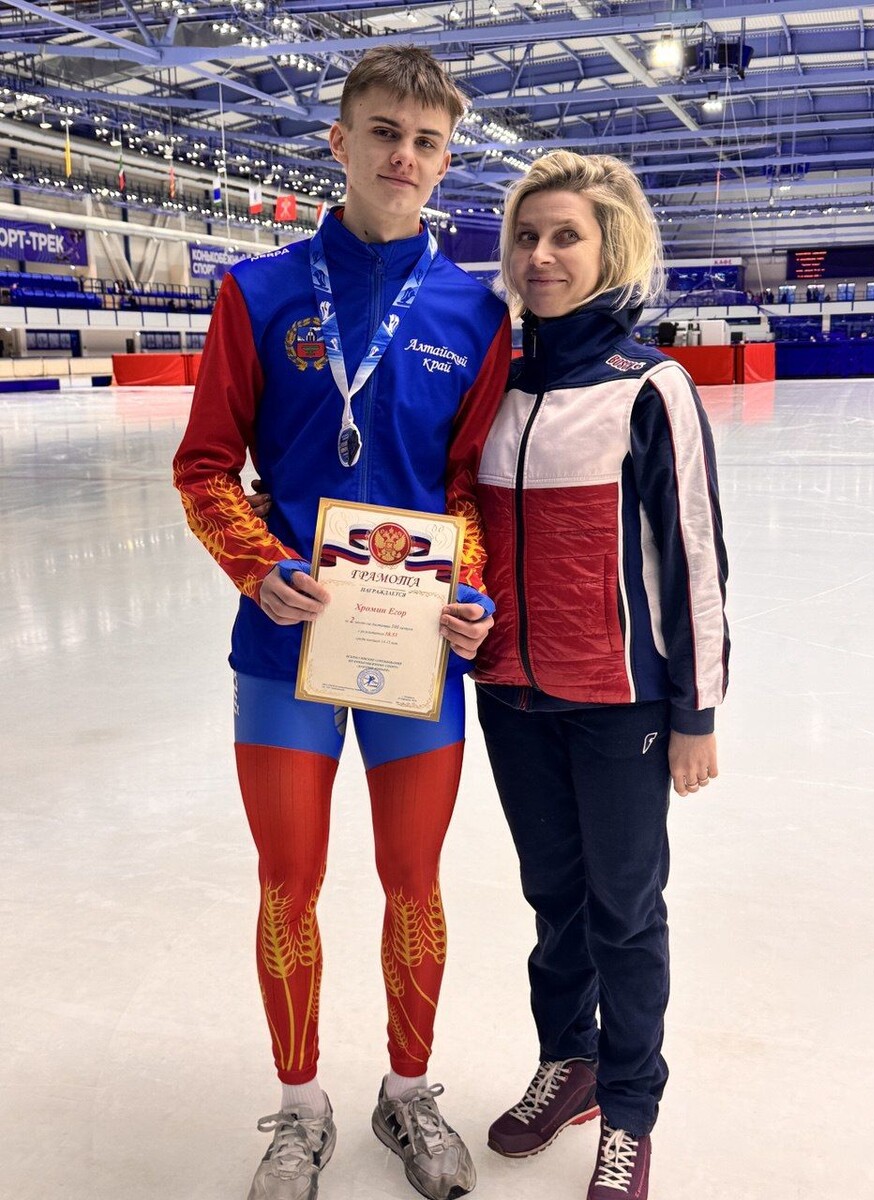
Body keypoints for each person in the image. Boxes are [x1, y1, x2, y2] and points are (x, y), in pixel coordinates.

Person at [173, 46, 511, 1200]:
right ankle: (301, 1106)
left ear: (445, 159)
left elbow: (471, 492)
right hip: (286, 642)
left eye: (424, 141)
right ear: (340, 142)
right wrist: (259, 568)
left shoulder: (476, 311)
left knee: (414, 878)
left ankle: (408, 1095)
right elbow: (206, 467)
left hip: (417, 651)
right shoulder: (257, 293)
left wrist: (470, 593)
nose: (401, 156)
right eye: (381, 132)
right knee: (290, 881)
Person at [472, 151, 730, 1200]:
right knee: (553, 901)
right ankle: (568, 1061)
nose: (541, 256)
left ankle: (629, 1106)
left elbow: (697, 557)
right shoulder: (494, 382)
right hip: (509, 696)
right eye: (527, 237)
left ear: (608, 247)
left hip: (620, 702)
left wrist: (697, 711)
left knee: (625, 909)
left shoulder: (649, 387)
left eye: (565, 236)